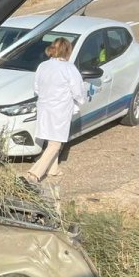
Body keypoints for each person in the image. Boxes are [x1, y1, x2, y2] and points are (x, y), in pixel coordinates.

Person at [28, 38, 85, 182]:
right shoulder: (69, 68)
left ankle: (53, 170)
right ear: (67, 51)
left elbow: (36, 87)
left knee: (49, 137)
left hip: (44, 106)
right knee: (56, 142)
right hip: (60, 108)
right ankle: (35, 173)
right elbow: (77, 90)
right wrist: (80, 101)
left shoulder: (43, 65)